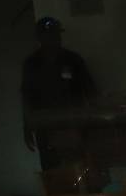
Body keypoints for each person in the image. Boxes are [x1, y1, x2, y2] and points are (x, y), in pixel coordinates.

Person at [21, 16, 95, 170]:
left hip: (73, 124)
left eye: (56, 34)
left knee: (80, 168)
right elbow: (27, 96)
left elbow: (90, 91)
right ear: (40, 37)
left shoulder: (73, 60)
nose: (53, 39)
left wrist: (90, 123)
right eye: (48, 35)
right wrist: (27, 126)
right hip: (45, 127)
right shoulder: (32, 64)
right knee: (53, 171)